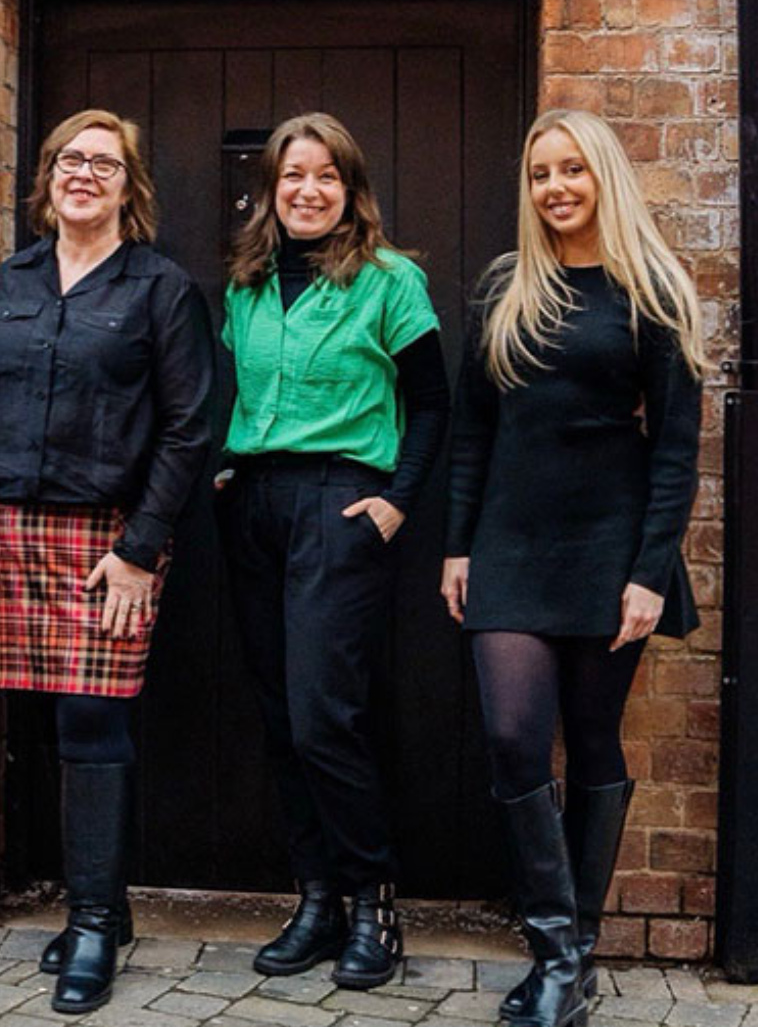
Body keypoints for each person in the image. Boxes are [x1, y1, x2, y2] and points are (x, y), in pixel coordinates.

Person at [442, 108, 708, 1027]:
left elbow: (675, 449)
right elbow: (473, 428)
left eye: (571, 170)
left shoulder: (652, 290)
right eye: (540, 173)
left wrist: (650, 570)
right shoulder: (504, 287)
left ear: (603, 176)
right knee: (514, 736)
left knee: (593, 738)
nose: (555, 187)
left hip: (608, 550)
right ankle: (558, 950)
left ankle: (569, 960)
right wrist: (458, 544)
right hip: (510, 546)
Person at [0, 108, 213, 1014]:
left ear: (129, 187)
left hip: (110, 536)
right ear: (49, 177)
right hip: (15, 524)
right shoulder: (16, 276)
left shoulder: (159, 288)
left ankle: (97, 925)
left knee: (92, 721)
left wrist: (139, 549)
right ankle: (95, 907)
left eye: (105, 164)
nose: (84, 174)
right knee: (45, 720)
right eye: (71, 159)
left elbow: (189, 427)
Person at [217, 112, 450, 990]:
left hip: (340, 503)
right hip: (256, 505)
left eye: (326, 176)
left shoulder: (389, 281)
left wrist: (397, 503)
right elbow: (235, 386)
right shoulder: (244, 286)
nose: (307, 191)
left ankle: (371, 903)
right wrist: (228, 470)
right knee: (280, 717)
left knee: (324, 716)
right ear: (270, 189)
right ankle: (315, 901)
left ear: (351, 191)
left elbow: (433, 403)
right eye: (292, 176)